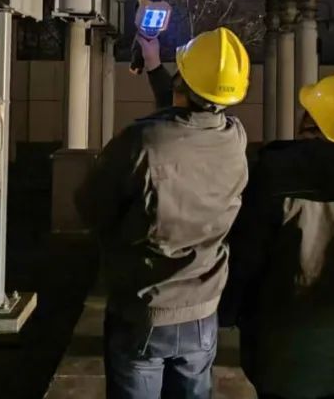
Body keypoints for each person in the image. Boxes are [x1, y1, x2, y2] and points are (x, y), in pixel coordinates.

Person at [75, 27, 252, 399]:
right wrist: (155, 65)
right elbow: (186, 123)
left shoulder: (140, 141)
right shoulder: (234, 138)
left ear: (181, 82)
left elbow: (91, 206)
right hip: (203, 313)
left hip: (143, 310)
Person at [220, 72, 334, 399]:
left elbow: (247, 257)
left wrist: (227, 311)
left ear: (312, 123)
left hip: (275, 342)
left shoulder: (274, 175)